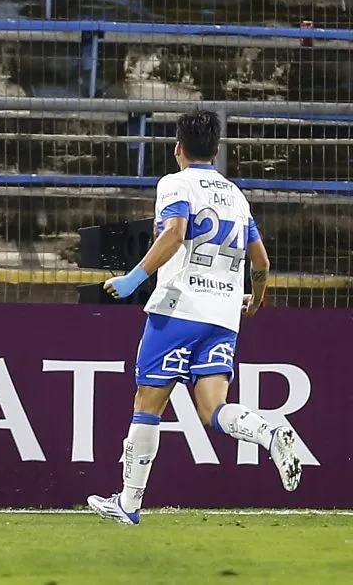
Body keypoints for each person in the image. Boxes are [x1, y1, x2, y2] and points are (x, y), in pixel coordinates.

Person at [87, 110, 301, 526]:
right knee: (213, 410)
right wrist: (255, 301)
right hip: (223, 316)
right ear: (217, 151)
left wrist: (133, 279)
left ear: (177, 148)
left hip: (177, 308)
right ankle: (270, 434)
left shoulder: (175, 183)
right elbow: (261, 260)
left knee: (148, 404)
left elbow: (175, 232)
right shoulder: (236, 196)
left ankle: (129, 504)